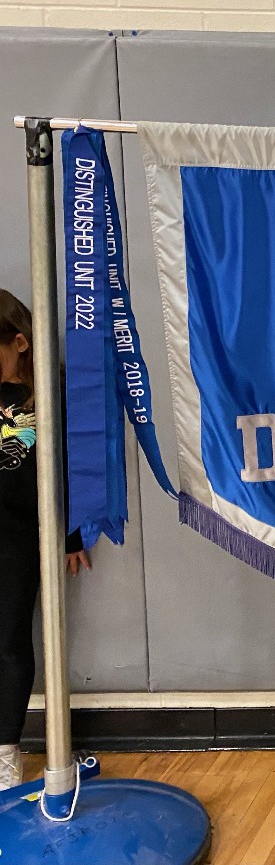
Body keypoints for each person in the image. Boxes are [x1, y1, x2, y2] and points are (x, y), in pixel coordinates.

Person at [1, 289, 89, 792]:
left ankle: (5, 748)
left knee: (8, 642)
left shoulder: (46, 398)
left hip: (16, 541)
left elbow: (64, 472)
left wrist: (70, 535)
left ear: (20, 343)